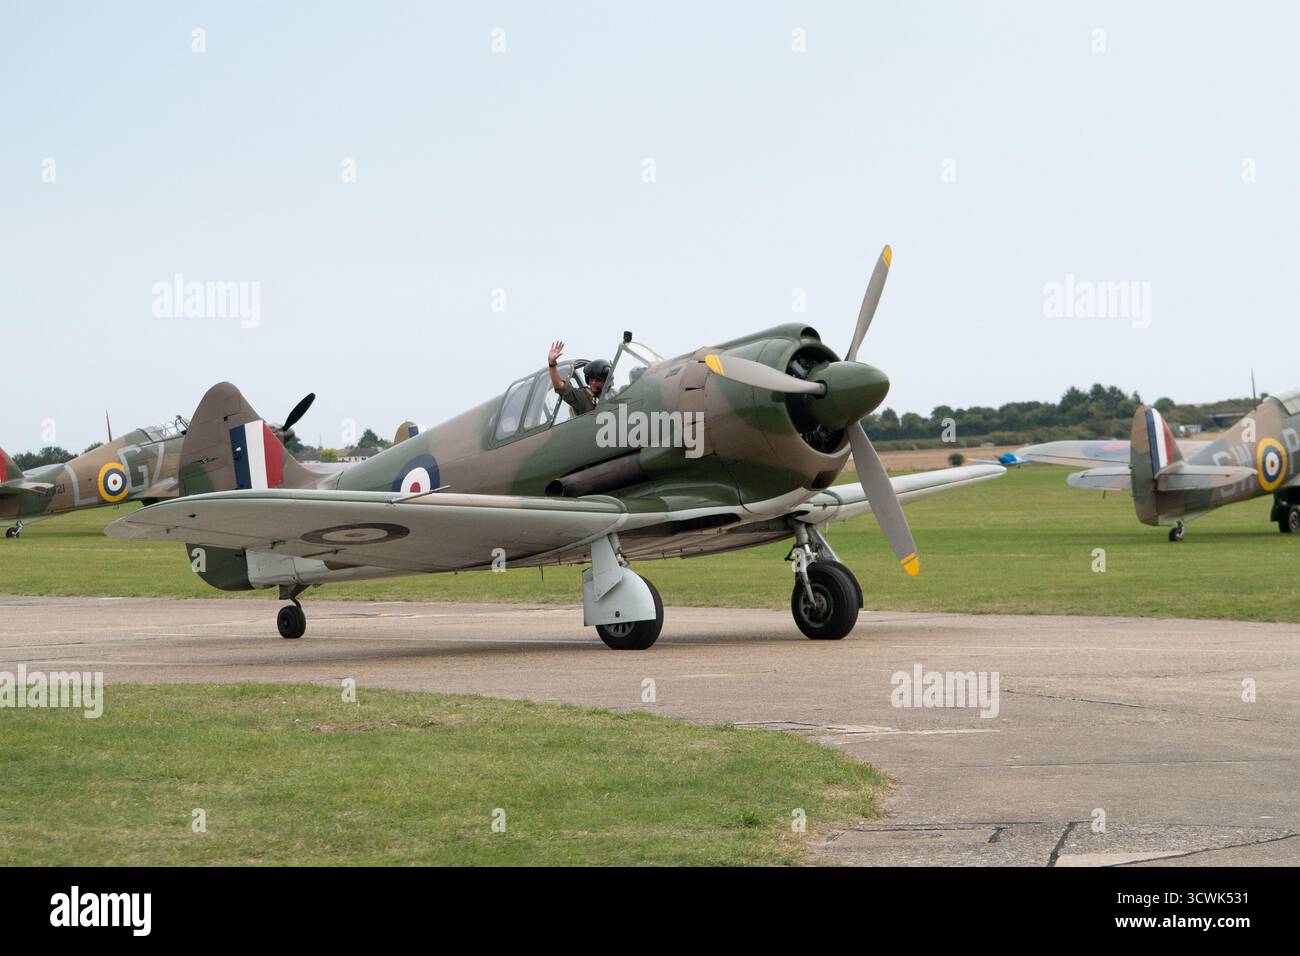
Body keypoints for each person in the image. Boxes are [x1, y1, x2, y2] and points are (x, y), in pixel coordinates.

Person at [548, 341, 611, 416]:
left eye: (598, 380)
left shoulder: (613, 394)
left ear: (606, 381)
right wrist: (552, 364)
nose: (593, 383)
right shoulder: (585, 397)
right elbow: (560, 386)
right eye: (591, 379)